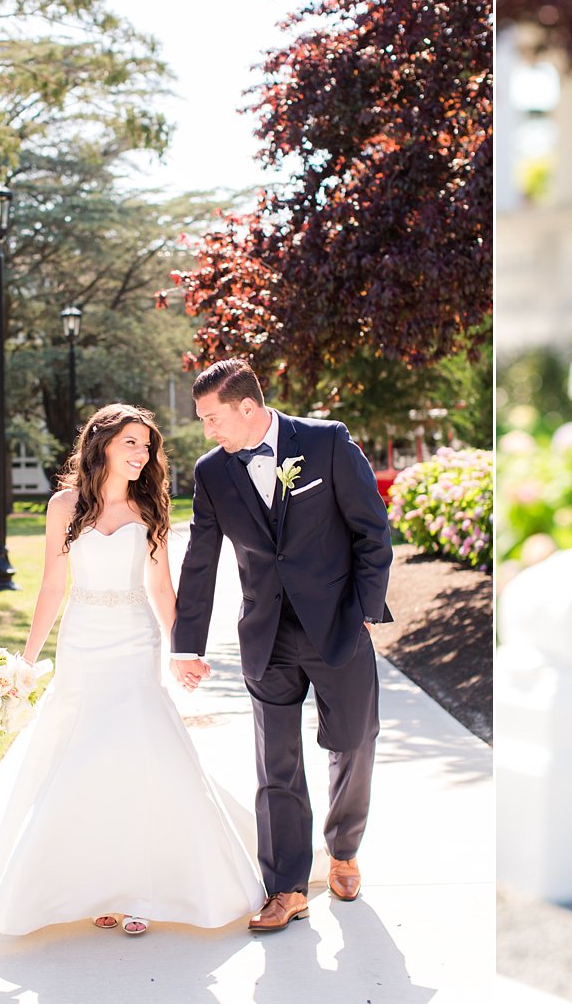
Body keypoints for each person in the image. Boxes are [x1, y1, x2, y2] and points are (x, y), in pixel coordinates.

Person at [0, 402, 264, 936]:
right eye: (132, 442)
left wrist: (183, 650)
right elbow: (52, 586)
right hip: (83, 641)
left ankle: (139, 892)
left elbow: (159, 588)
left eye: (147, 445)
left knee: (136, 756)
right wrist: (26, 663)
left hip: (134, 641)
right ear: (102, 443)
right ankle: (95, 885)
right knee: (82, 757)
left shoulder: (149, 507)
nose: (142, 453)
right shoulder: (64, 505)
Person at [170, 359, 393, 933]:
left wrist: (367, 611)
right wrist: (186, 643)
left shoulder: (326, 442)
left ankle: (343, 848)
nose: (208, 431)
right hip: (266, 635)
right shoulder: (213, 472)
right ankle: (287, 887)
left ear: (247, 407)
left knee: (353, 741)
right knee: (276, 764)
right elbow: (199, 561)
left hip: (339, 627)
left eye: (213, 418)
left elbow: (372, 530)